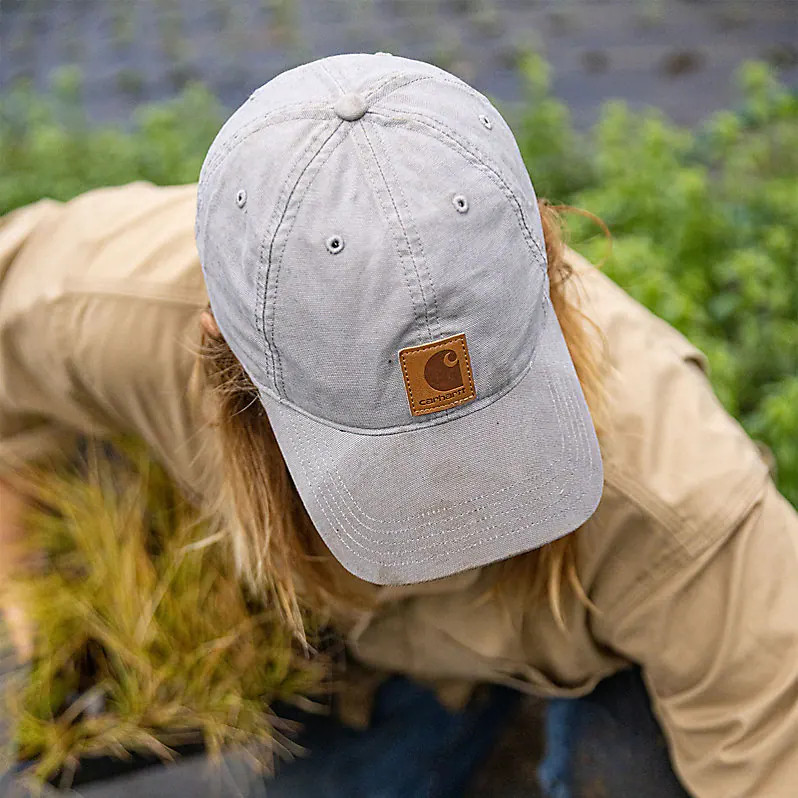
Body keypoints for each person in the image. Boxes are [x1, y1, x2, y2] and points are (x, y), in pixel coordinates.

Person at [0, 53, 796, 798]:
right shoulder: (110, 308)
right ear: (226, 353)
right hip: (347, 655)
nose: (450, 507)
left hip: (582, 643)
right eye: (383, 457)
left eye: (491, 432)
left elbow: (771, 750)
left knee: (623, 767)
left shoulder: (683, 499)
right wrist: (21, 564)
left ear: (550, 264)